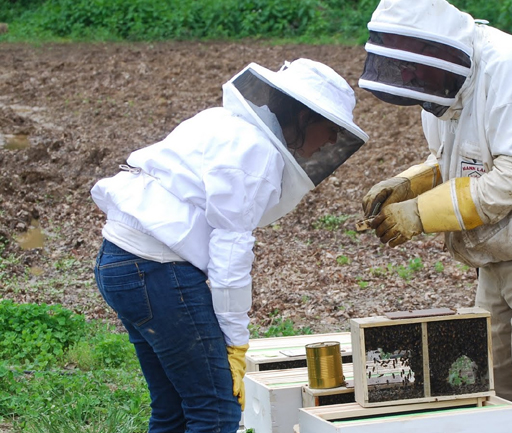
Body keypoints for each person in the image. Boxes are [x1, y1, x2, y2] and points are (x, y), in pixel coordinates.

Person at [357, 1, 512, 432]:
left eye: (413, 67)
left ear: (436, 50)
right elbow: (464, 157)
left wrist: (420, 213)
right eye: (402, 68)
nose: (409, 78)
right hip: (500, 250)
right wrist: (411, 182)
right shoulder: (441, 90)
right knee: (495, 397)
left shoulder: (511, 69)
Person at [91, 58, 368, 433]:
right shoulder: (256, 153)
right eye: (331, 129)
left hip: (120, 262)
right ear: (304, 117)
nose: (332, 141)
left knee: (174, 409)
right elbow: (230, 253)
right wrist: (235, 345)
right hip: (155, 269)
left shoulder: (222, 124)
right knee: (217, 410)